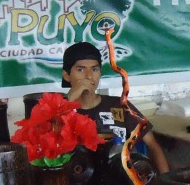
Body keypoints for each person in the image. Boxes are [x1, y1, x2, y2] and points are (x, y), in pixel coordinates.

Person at [61, 41, 169, 176]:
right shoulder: (58, 111)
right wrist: (69, 101)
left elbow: (153, 145)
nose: (89, 76)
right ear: (66, 75)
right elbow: (48, 151)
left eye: (94, 69)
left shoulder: (120, 105)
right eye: (80, 69)